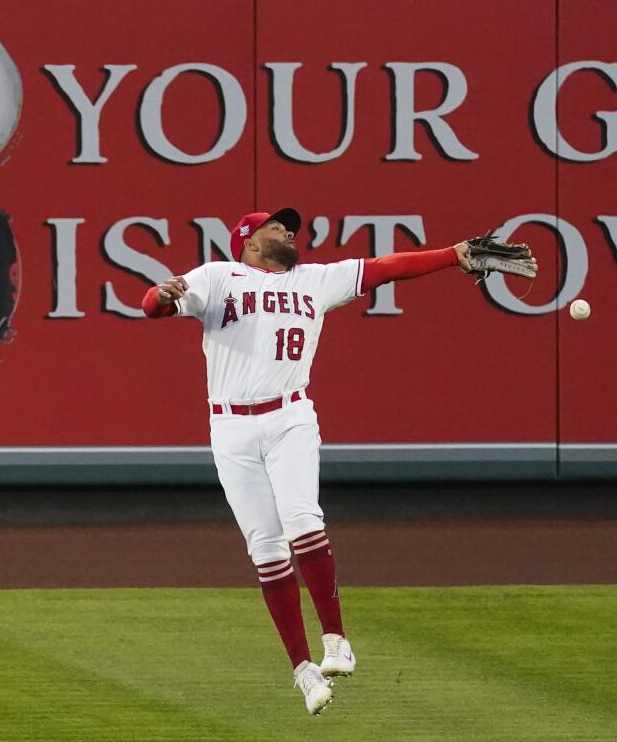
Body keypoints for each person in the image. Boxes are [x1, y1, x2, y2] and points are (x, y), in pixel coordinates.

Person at [142, 207, 473, 715]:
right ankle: (303, 670)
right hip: (229, 427)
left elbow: (388, 267)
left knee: (302, 520)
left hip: (290, 416)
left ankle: (336, 639)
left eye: (288, 226)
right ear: (249, 241)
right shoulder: (219, 276)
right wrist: (160, 296)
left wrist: (454, 255)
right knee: (266, 550)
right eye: (276, 226)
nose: (288, 231)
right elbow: (154, 307)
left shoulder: (317, 280)